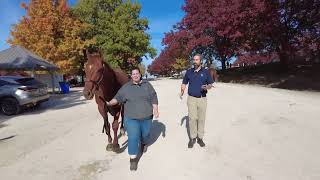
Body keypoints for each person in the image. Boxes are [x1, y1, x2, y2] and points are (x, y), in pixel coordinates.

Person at [106, 67, 159, 171]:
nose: (135, 75)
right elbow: (118, 97)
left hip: (147, 117)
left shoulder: (147, 85)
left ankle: (143, 142)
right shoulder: (126, 87)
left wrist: (155, 109)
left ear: (140, 74)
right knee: (133, 137)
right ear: (131, 75)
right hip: (131, 118)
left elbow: (153, 96)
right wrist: (109, 103)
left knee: (145, 134)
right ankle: (133, 159)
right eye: (133, 74)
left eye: (137, 73)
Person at [180, 54, 214, 148]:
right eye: (194, 59)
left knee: (201, 119)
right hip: (191, 99)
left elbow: (210, 84)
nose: (195, 61)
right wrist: (182, 91)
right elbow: (184, 82)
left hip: (202, 99)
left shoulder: (206, 72)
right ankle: (192, 137)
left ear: (201, 61)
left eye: (197, 59)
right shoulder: (189, 72)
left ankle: (200, 138)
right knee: (192, 119)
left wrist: (207, 87)